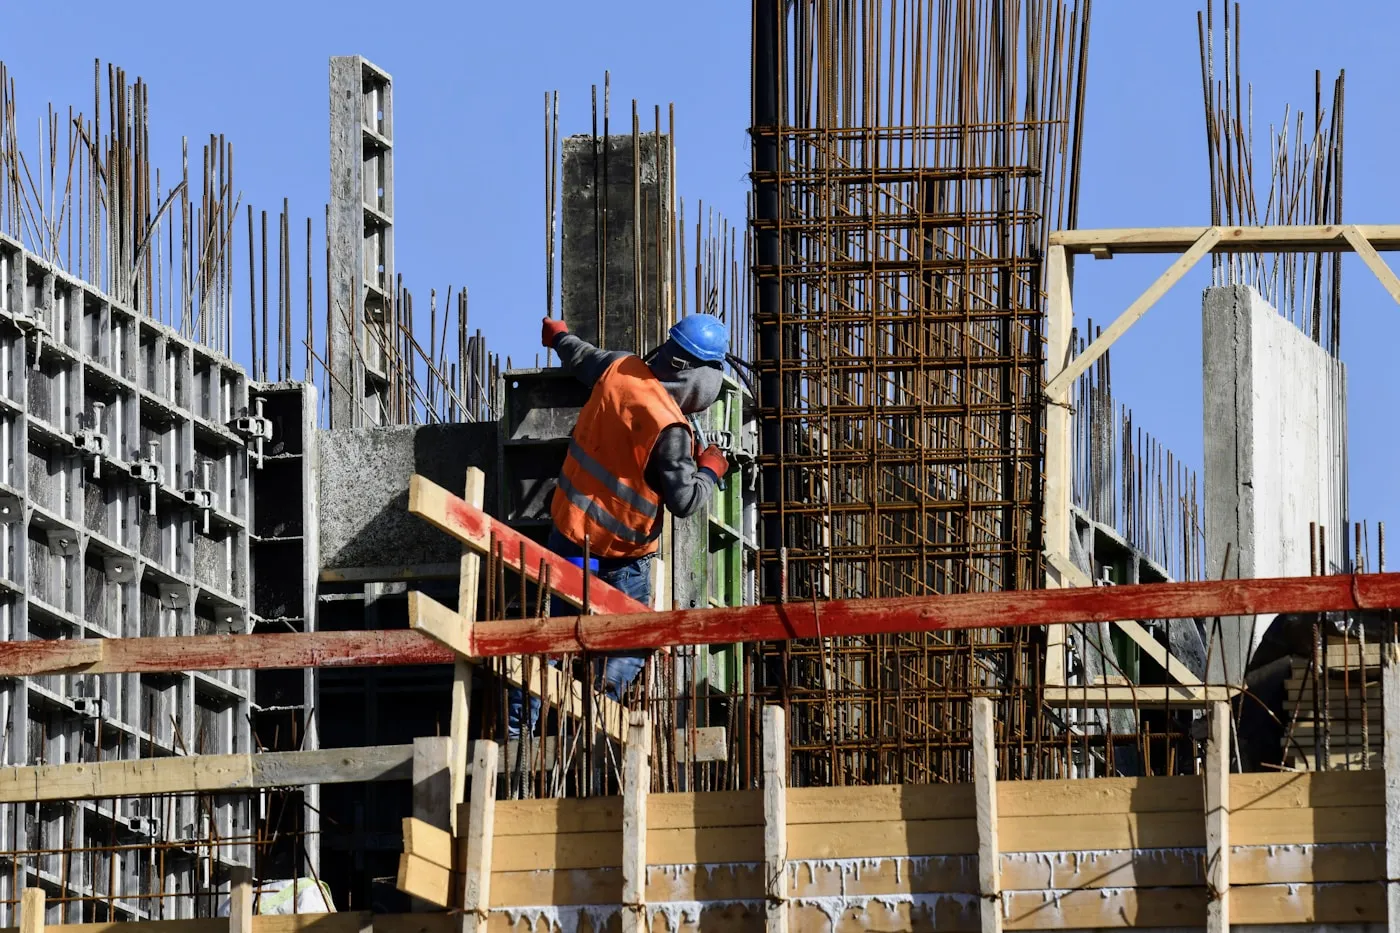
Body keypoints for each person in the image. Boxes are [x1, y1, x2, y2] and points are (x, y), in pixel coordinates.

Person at [506, 313, 732, 738]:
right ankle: (592, 729)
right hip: (623, 562)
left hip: (569, 538)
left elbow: (581, 357)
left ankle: (518, 735)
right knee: (624, 649)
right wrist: (711, 470)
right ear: (691, 372)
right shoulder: (671, 430)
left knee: (554, 641)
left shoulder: (619, 368)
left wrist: (560, 337)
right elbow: (685, 501)